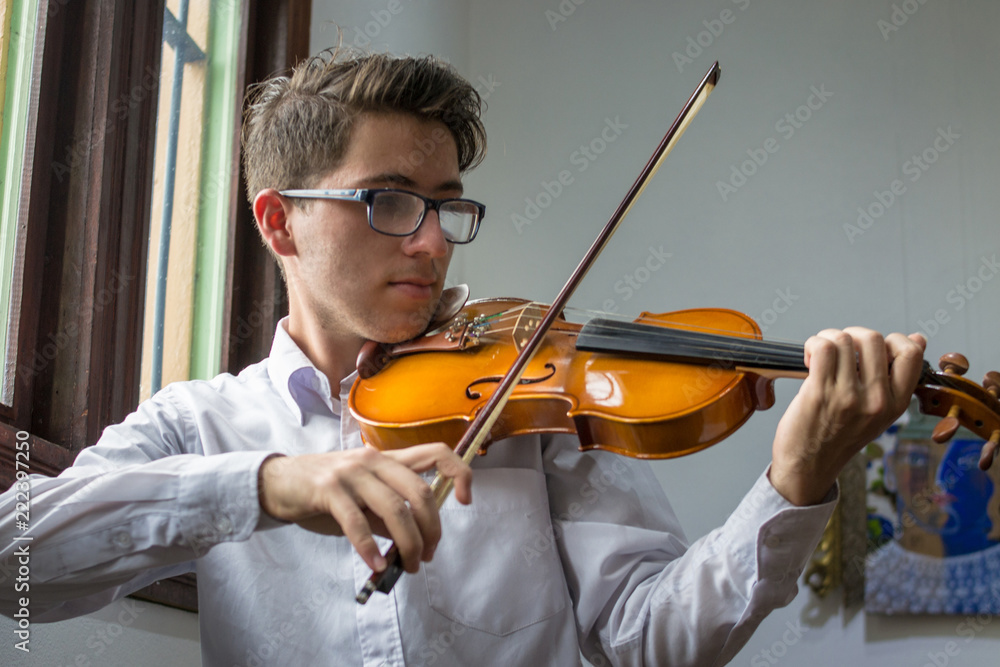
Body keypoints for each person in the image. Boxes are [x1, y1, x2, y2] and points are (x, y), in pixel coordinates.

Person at [1, 48, 926, 666]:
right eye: (392, 201)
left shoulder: (531, 404)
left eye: (447, 206)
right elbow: (17, 563)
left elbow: (651, 638)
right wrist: (269, 486)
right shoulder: (199, 423)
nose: (435, 244)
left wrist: (794, 480)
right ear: (278, 219)